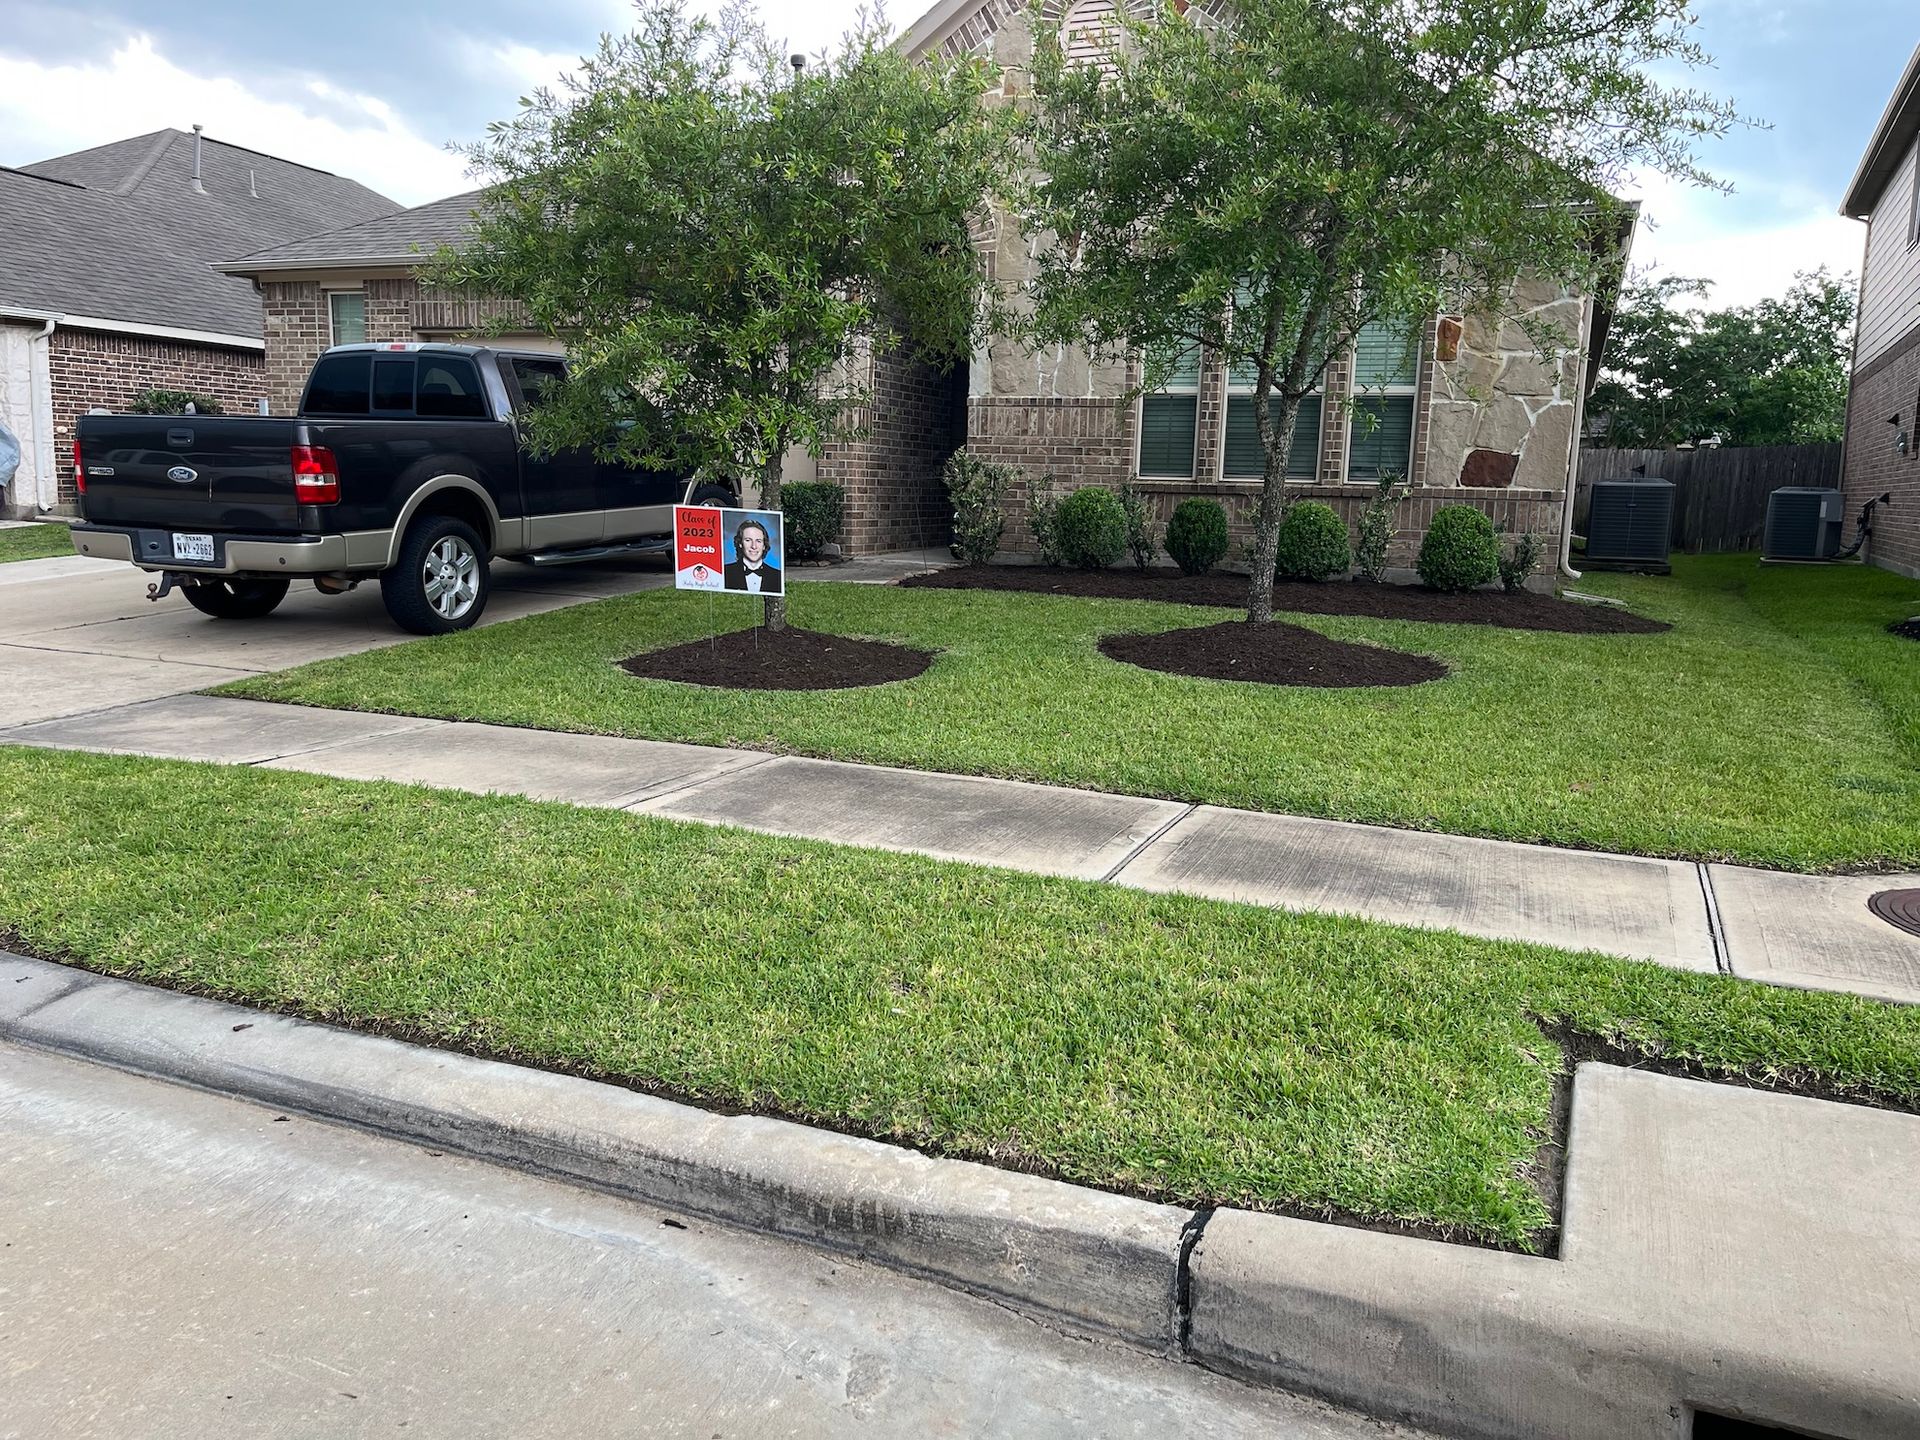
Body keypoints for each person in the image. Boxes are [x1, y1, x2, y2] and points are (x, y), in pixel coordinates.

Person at [723, 517, 783, 595]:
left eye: (758, 541)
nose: (754, 546)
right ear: (740, 543)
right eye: (748, 540)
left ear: (764, 545)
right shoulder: (725, 573)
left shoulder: (777, 576)